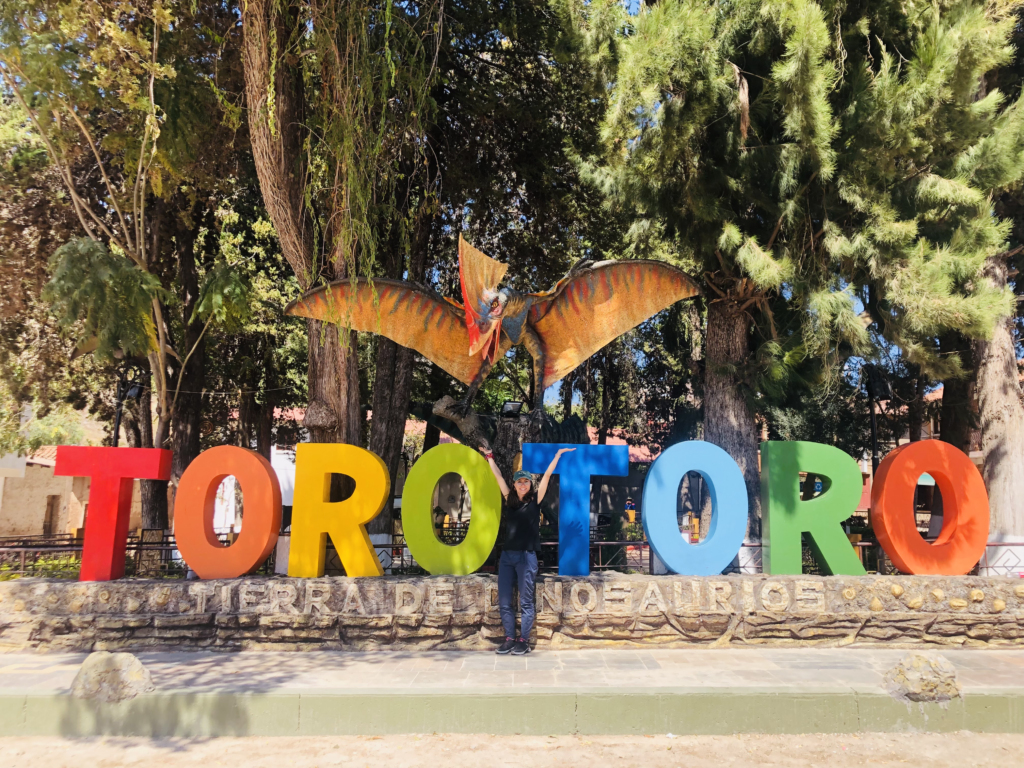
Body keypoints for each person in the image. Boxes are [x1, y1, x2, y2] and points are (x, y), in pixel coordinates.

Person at [482, 446, 575, 655]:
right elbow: (498, 477)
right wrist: (490, 457)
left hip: (526, 556)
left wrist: (557, 456)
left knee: (525, 601)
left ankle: (523, 640)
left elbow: (548, 474)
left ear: (530, 484)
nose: (522, 484)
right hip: (507, 556)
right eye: (519, 481)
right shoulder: (509, 500)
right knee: (505, 601)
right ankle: (509, 638)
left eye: (525, 481)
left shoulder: (536, 501)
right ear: (514, 485)